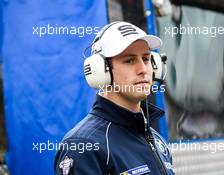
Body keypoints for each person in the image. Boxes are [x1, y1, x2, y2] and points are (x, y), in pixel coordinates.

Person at [54, 21, 175, 175]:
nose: (143, 70)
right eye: (129, 60)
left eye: (146, 59)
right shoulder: (83, 145)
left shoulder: (156, 139)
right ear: (101, 71)